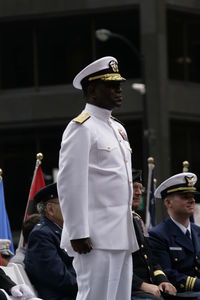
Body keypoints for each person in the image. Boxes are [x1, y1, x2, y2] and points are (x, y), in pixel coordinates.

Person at [57, 56, 139, 300]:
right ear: (92, 90)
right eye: (111, 85)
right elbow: (71, 183)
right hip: (95, 237)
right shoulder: (81, 127)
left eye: (119, 85)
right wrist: (78, 232)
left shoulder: (117, 128)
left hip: (121, 234)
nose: (119, 90)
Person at [149, 172, 200, 298]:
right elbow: (167, 273)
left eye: (192, 196)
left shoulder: (198, 231)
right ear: (168, 202)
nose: (192, 200)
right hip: (180, 294)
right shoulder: (158, 235)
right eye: (184, 196)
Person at [24, 183, 77, 300]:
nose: (73, 207)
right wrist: (89, 281)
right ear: (50, 209)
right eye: (65, 203)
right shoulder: (41, 235)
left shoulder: (63, 231)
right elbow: (60, 278)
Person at [131, 170, 177, 300]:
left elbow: (151, 260)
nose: (139, 192)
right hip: (128, 288)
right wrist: (142, 285)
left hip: (148, 288)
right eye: (134, 187)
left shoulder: (136, 220)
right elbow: (116, 265)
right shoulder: (115, 221)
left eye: (140, 188)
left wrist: (163, 280)